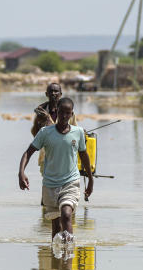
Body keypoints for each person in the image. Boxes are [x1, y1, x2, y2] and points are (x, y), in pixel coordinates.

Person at [19, 97, 93, 246]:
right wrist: (21, 172)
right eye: (62, 112)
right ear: (57, 112)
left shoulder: (78, 132)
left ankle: (68, 252)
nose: (65, 116)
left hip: (70, 182)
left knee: (66, 215)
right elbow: (29, 152)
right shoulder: (46, 132)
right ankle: (57, 258)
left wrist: (90, 180)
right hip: (50, 184)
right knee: (55, 224)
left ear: (72, 114)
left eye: (68, 113)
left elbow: (84, 155)